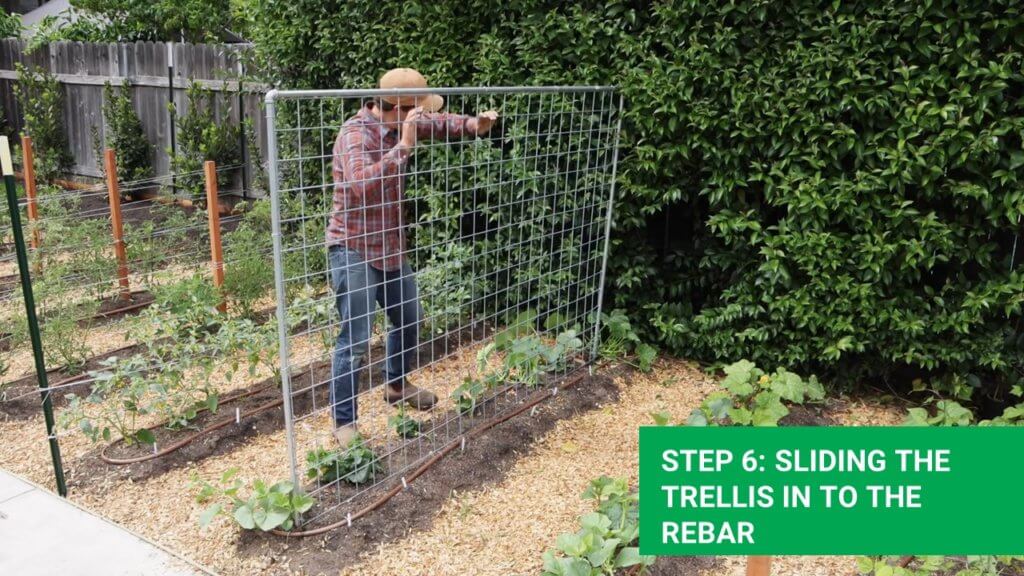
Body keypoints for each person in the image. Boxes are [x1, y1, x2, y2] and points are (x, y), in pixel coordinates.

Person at [327, 68, 498, 447]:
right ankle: (344, 423)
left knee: (408, 318)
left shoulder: (405, 121)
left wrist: (475, 125)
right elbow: (358, 185)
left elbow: (440, 123)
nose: (423, 116)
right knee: (354, 340)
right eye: (417, 110)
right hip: (353, 247)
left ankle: (397, 387)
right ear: (400, 108)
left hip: (390, 246)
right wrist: (402, 146)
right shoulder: (354, 134)